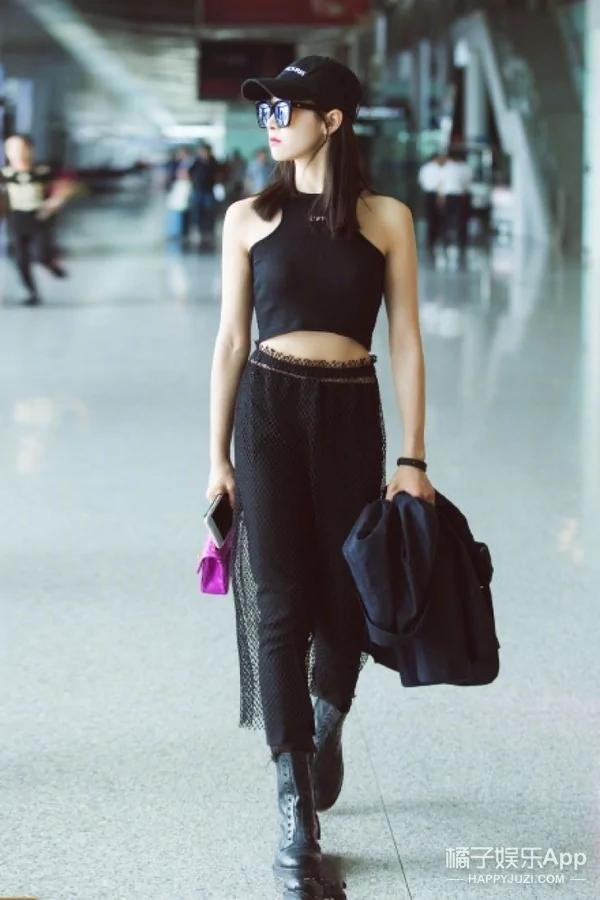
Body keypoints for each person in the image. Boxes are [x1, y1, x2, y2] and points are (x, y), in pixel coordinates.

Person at [205, 54, 434, 899]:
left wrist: (413, 456)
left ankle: (326, 715)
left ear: (331, 120)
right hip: (267, 410)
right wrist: (217, 458)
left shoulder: (387, 219)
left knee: (346, 600)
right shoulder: (247, 219)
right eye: (264, 110)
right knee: (279, 604)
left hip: (348, 412)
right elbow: (231, 341)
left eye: (285, 109)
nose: (270, 123)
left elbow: (405, 339)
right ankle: (296, 816)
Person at [0, 134, 68, 305]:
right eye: (12, 149)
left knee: (41, 252)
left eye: (21, 148)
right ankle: (32, 292)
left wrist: (55, 201)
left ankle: (49, 264)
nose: (17, 153)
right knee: (21, 259)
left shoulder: (42, 171)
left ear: (30, 150)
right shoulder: (5, 174)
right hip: (16, 218)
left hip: (38, 217)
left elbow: (64, 185)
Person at [439, 149, 473, 261]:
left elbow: (441, 184)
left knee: (447, 220)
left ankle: (446, 240)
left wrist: (441, 197)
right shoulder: (464, 168)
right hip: (460, 196)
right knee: (460, 220)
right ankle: (461, 241)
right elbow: (467, 183)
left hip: (450, 196)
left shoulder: (446, 167)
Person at [417, 151, 448, 257]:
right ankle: (439, 240)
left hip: (427, 194)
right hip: (438, 195)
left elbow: (421, 181)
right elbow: (442, 183)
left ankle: (430, 241)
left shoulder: (424, 168)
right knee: (439, 218)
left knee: (430, 218)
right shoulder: (440, 169)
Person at [189, 143, 219, 250]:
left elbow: (218, 175)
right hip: (198, 190)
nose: (203, 153)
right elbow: (190, 173)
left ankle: (209, 231)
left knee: (209, 211)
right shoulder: (196, 162)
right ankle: (199, 230)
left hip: (208, 191)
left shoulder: (214, 162)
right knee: (197, 211)